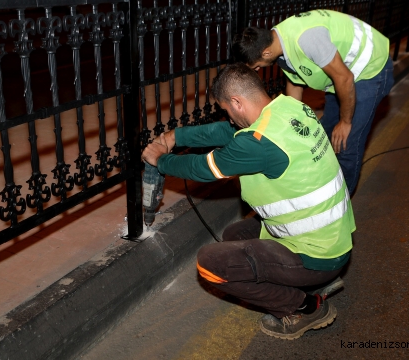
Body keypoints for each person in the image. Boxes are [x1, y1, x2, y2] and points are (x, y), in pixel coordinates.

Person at [141, 63, 355, 340]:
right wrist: (175, 136)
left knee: (211, 263)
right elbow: (225, 132)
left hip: (318, 256)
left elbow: (202, 169)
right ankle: (308, 285)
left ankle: (305, 307)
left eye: (226, 110)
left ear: (237, 102)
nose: (228, 118)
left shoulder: (257, 142)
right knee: (234, 235)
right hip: (332, 239)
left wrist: (159, 158)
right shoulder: (289, 108)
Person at [232, 9, 394, 195]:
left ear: (266, 52)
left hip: (370, 69)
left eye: (257, 65)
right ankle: (324, 186)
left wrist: (345, 121)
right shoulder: (278, 42)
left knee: (346, 143)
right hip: (341, 77)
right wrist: (290, 125)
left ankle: (339, 205)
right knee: (324, 134)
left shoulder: (307, 39)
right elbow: (295, 83)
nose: (258, 70)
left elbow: (345, 78)